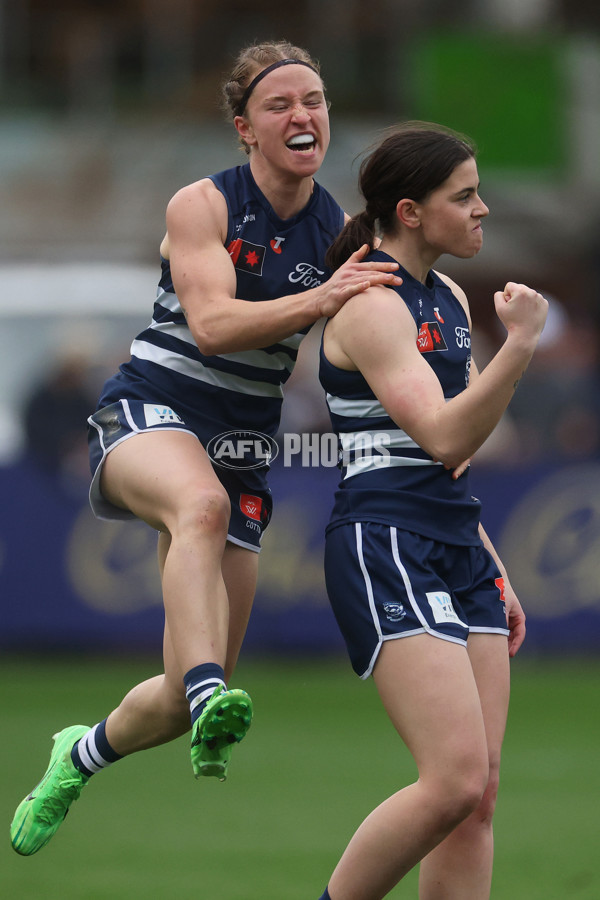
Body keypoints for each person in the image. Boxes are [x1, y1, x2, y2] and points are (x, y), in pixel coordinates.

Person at [10, 40, 401, 858]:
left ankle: (76, 755)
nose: (303, 115)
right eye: (280, 104)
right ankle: (209, 685)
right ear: (244, 130)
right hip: (150, 411)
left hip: (241, 445)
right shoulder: (203, 204)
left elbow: (365, 341)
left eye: (316, 101)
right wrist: (327, 296)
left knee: (187, 695)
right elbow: (214, 327)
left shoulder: (338, 229)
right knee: (201, 508)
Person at [316, 123, 548, 900]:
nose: (482, 208)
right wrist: (518, 348)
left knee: (477, 797)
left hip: (454, 537)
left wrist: (489, 555)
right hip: (386, 537)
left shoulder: (445, 296)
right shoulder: (372, 303)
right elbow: (446, 429)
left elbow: (460, 453)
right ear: (410, 212)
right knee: (449, 782)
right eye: (466, 195)